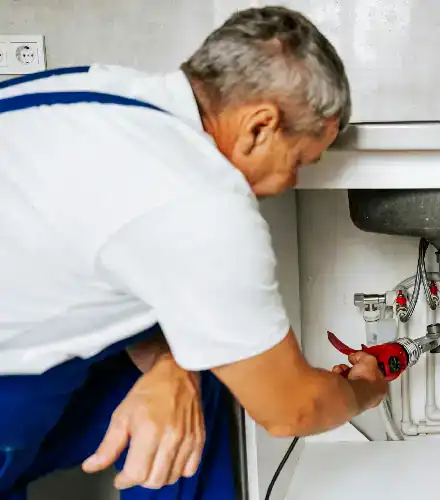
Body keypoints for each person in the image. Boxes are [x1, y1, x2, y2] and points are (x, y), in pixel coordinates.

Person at [0, 6, 388, 499]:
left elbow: (106, 267)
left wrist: (175, 366)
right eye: (298, 162)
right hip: (10, 392)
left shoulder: (108, 95)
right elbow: (292, 410)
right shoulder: (202, 198)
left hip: (28, 363)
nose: (292, 183)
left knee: (198, 391)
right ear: (260, 126)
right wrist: (367, 390)